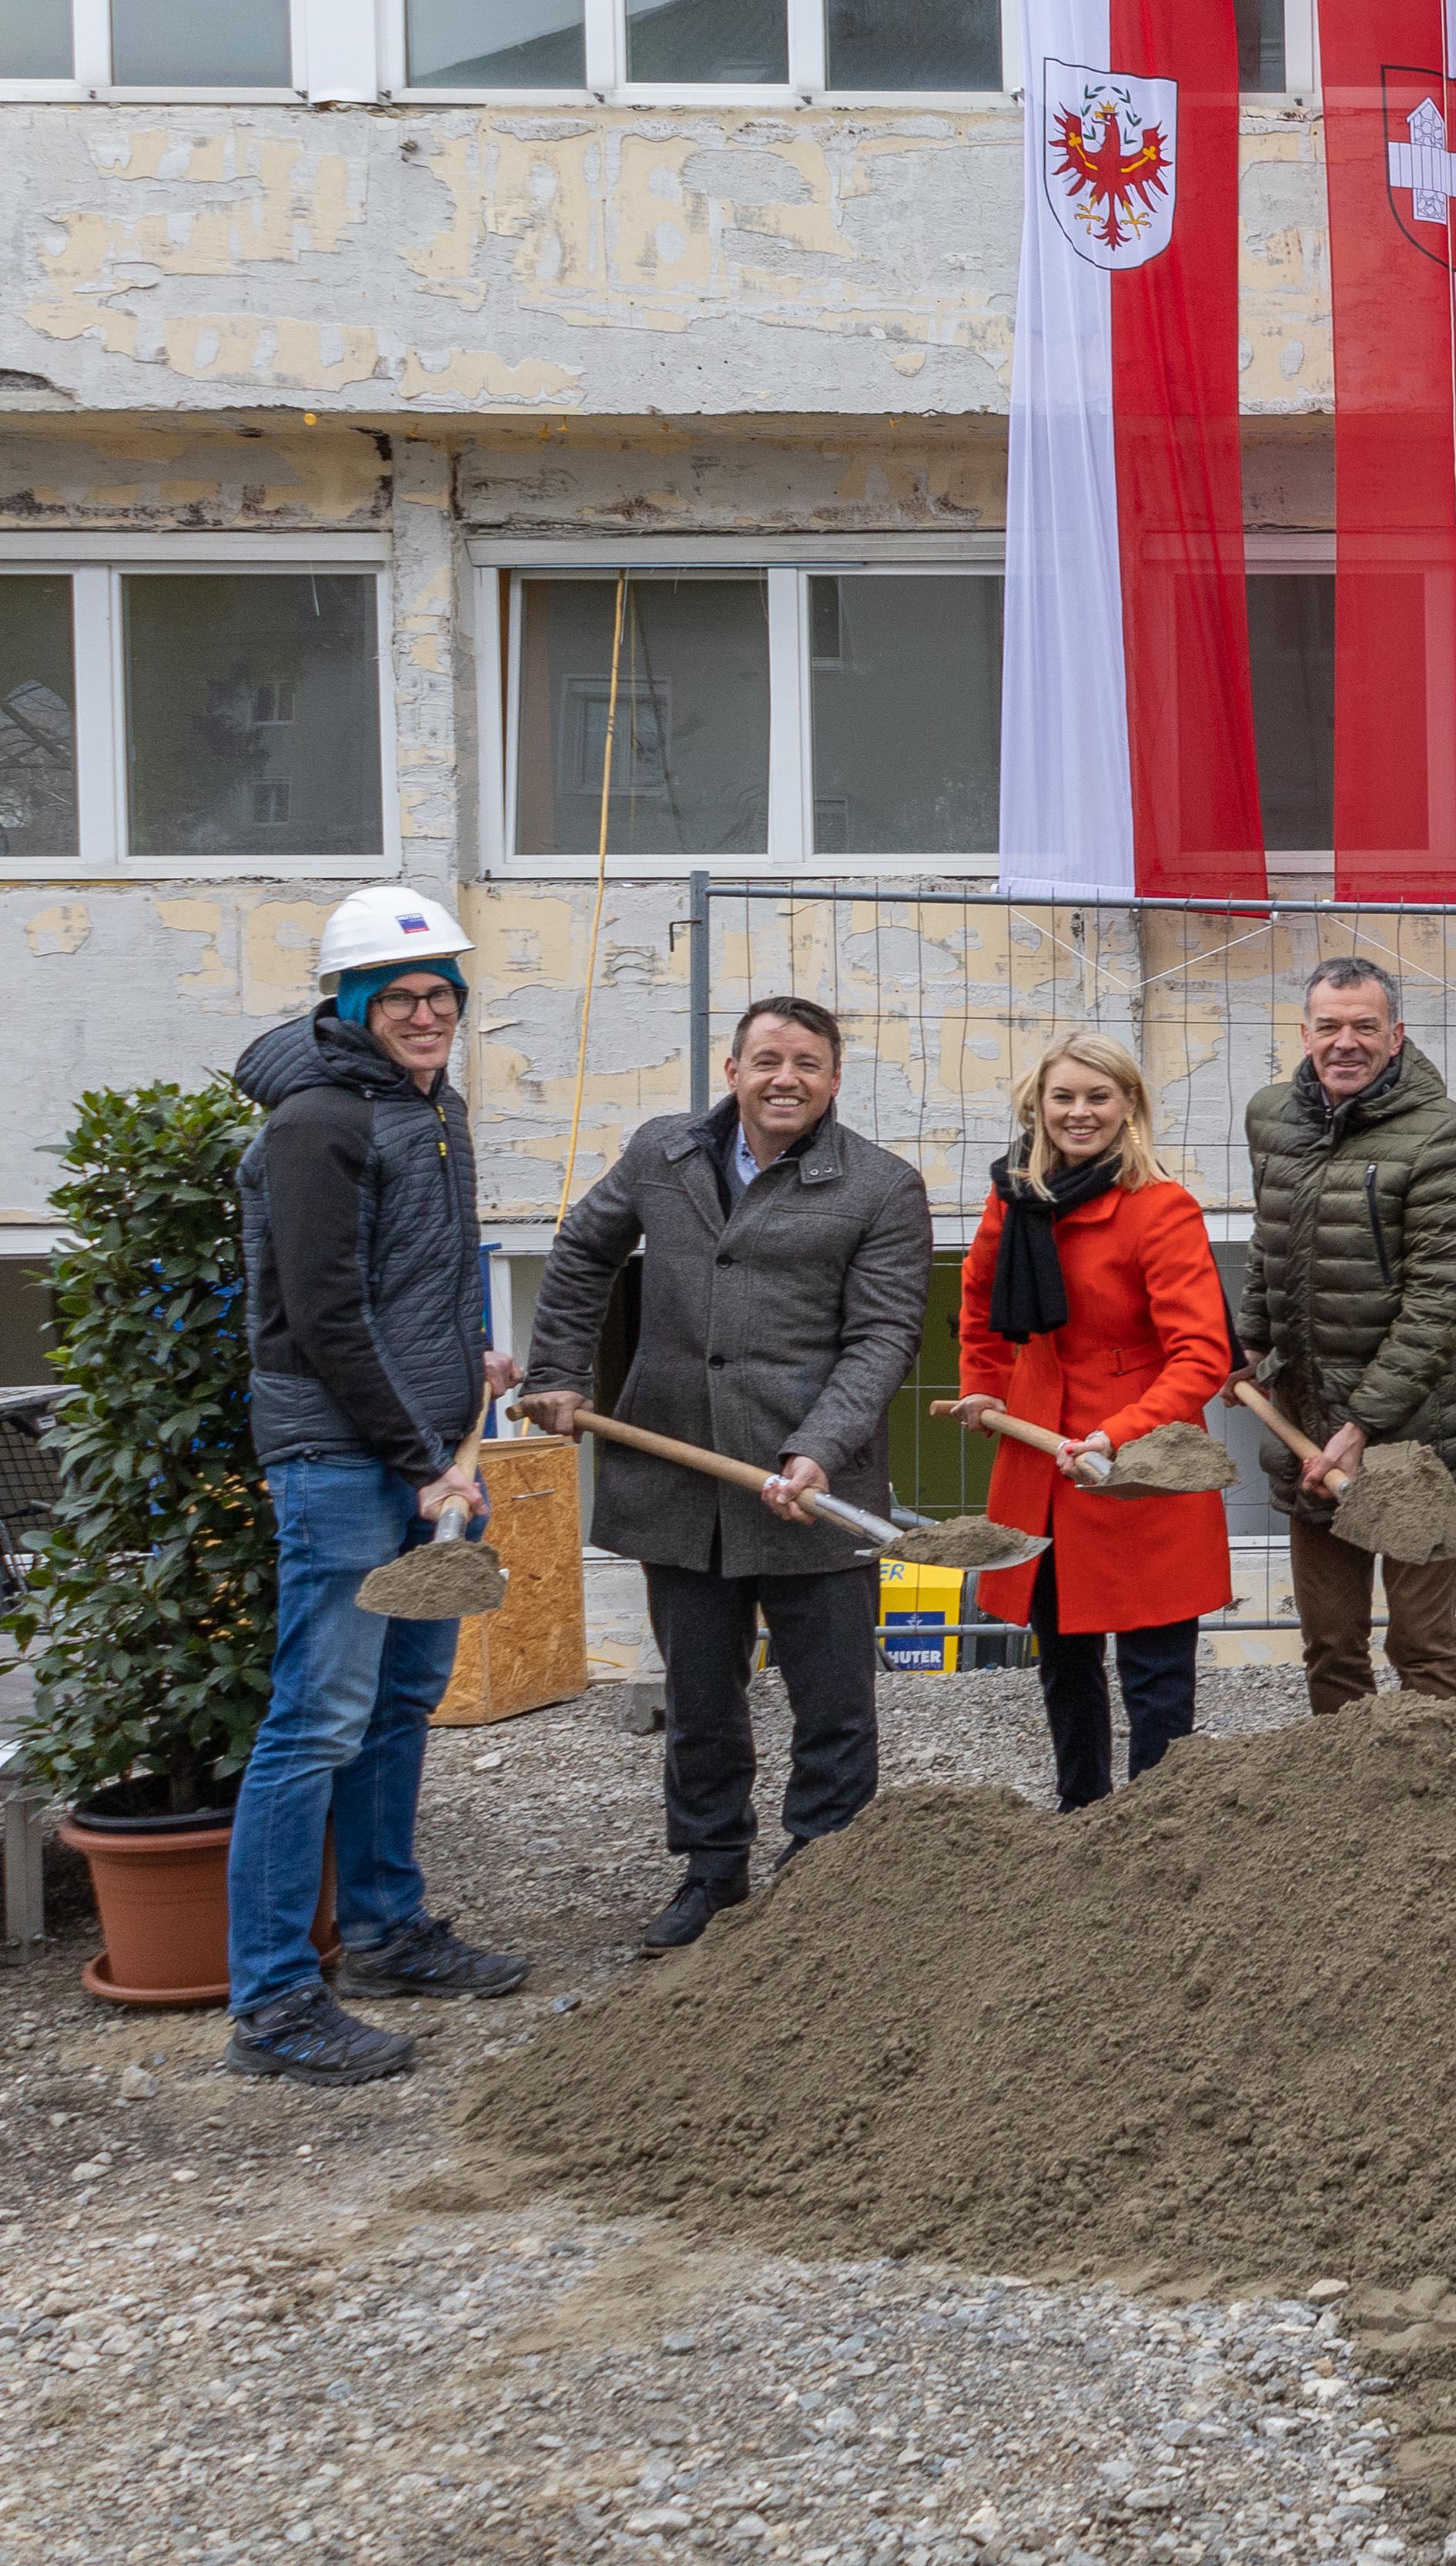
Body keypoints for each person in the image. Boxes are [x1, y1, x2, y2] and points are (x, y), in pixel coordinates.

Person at [513, 993, 932, 1952]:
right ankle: (712, 1871)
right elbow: (581, 1252)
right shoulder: (664, 1153)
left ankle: (824, 1869)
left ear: (834, 1079)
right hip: (680, 1483)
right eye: (767, 1059)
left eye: (808, 1063)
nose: (786, 1078)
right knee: (700, 1696)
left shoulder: (879, 1185)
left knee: (833, 1700)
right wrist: (558, 1372)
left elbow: (881, 1336)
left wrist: (818, 1444)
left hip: (812, 1488)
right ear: (733, 1070)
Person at [220, 886, 533, 2084]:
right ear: (350, 1002)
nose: (425, 1013)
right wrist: (417, 1463)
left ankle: (388, 1931)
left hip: (428, 1451)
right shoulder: (318, 1121)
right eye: (399, 996)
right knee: (316, 1722)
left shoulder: (427, 1104)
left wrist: (473, 1366)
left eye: (440, 994)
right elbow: (322, 1315)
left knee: (401, 1701)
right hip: (354, 1465)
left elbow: (410, 1282)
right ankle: (274, 2002)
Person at [959, 1030, 1235, 1809]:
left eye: (1098, 1097)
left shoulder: (1161, 1209)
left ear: (1129, 1107)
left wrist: (1119, 1433)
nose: (1079, 1113)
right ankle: (1080, 1813)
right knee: (1064, 1659)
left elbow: (1200, 1356)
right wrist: (983, 1386)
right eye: (1063, 1097)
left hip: (1140, 1469)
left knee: (1155, 1668)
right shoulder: (1011, 1199)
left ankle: (1158, 1823)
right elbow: (978, 1306)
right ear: (1037, 1106)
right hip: (1040, 1462)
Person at [1240, 956, 1456, 1715]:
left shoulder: (1443, 1136)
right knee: (1330, 1642)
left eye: (1364, 1026)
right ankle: (1346, 1810)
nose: (1345, 1042)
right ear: (1304, 1032)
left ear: (1396, 1033)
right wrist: (1250, 1343)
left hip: (1417, 1442)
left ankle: (1445, 1798)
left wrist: (1363, 1425)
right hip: (1309, 1425)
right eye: (1329, 1026)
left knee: (1421, 1643)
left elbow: (1438, 1304)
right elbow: (1268, 1243)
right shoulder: (1274, 1117)